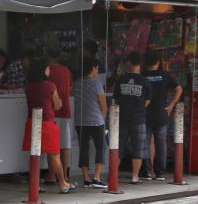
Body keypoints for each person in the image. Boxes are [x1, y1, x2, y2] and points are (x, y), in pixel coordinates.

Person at [23, 57, 75, 193]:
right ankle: (63, 183)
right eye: (47, 68)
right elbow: (57, 105)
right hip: (47, 123)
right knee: (54, 155)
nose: (49, 71)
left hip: (32, 122)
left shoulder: (29, 86)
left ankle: (34, 185)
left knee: (35, 154)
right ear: (43, 70)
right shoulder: (50, 86)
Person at [141, 51, 183, 181]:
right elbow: (179, 89)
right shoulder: (164, 75)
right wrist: (171, 105)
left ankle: (147, 172)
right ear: (158, 62)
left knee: (147, 142)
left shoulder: (142, 76)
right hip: (161, 113)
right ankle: (160, 173)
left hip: (145, 113)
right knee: (161, 143)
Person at [113, 51, 152, 184]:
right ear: (141, 64)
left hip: (122, 119)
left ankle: (113, 175)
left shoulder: (121, 79)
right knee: (138, 149)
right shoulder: (145, 81)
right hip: (139, 119)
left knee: (118, 148)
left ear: (128, 63)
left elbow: (116, 100)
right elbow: (147, 101)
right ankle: (135, 177)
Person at [74, 57, 108, 188]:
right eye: (97, 68)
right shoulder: (96, 82)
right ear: (93, 68)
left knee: (84, 148)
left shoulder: (77, 83)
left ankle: (86, 178)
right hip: (96, 120)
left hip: (80, 121)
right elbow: (103, 105)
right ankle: (97, 177)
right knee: (101, 146)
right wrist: (103, 120)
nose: (98, 70)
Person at [45, 48, 74, 184]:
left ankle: (51, 175)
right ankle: (65, 175)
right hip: (65, 110)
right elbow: (70, 88)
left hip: (52, 111)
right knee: (65, 144)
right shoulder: (67, 71)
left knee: (52, 145)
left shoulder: (48, 70)